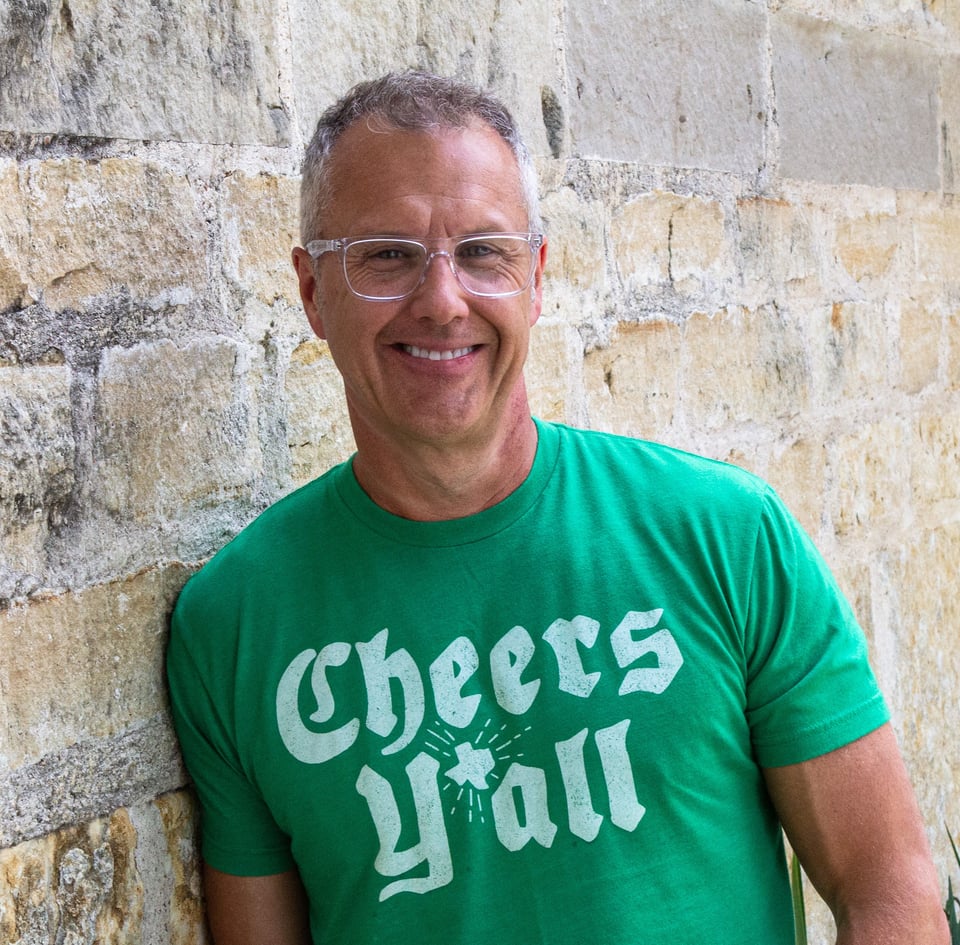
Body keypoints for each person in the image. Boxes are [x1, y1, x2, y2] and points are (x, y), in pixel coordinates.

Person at [166, 71, 948, 945]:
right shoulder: (234, 621)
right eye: (386, 255)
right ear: (313, 293)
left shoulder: (724, 536)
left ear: (535, 279)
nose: (442, 298)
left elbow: (892, 889)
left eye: (482, 252)